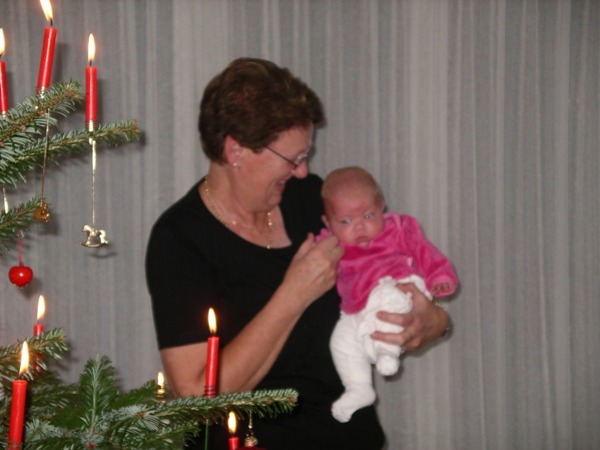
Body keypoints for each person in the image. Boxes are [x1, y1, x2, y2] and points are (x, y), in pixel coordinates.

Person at [145, 57, 451, 450]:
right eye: (294, 159)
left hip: (351, 437)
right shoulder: (180, 239)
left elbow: (396, 261)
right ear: (236, 150)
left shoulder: (309, 200)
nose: (304, 172)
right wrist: (293, 294)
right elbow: (196, 401)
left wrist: (434, 320)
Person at [317, 166, 459, 423]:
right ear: (327, 223)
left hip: (398, 287)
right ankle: (359, 387)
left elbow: (425, 253)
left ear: (382, 207)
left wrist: (439, 278)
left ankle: (387, 352)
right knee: (340, 340)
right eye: (346, 221)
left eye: (368, 215)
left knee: (386, 299)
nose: (359, 227)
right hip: (358, 309)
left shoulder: (399, 228)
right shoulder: (329, 245)